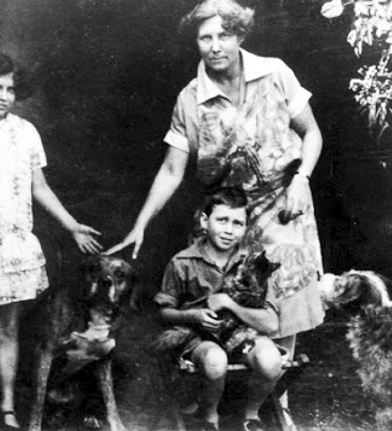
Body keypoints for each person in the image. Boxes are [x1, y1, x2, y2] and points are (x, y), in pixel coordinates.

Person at [107, 0, 325, 427]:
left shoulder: (275, 73)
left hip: (284, 204)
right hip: (228, 210)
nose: (214, 45)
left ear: (239, 35)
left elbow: (311, 132)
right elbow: (172, 170)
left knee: (284, 298)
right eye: (205, 37)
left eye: (223, 35)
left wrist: (303, 178)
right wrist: (140, 224)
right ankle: (213, 397)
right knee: (219, 298)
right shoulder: (191, 99)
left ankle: (269, 401)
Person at [0, 51, 102, 431]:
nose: (4, 96)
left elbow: (39, 187)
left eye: (10, 88)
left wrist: (72, 225)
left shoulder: (26, 132)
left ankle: (9, 405)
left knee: (9, 329)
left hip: (13, 246)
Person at [154, 188, 284, 431]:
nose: (228, 229)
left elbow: (271, 324)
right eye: (221, 220)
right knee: (215, 361)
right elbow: (162, 313)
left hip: (242, 335)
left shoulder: (254, 263)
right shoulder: (182, 262)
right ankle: (210, 416)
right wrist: (192, 315)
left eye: (237, 223)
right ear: (205, 221)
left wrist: (230, 303)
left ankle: (251, 416)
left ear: (246, 227)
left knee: (271, 361)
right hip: (200, 338)